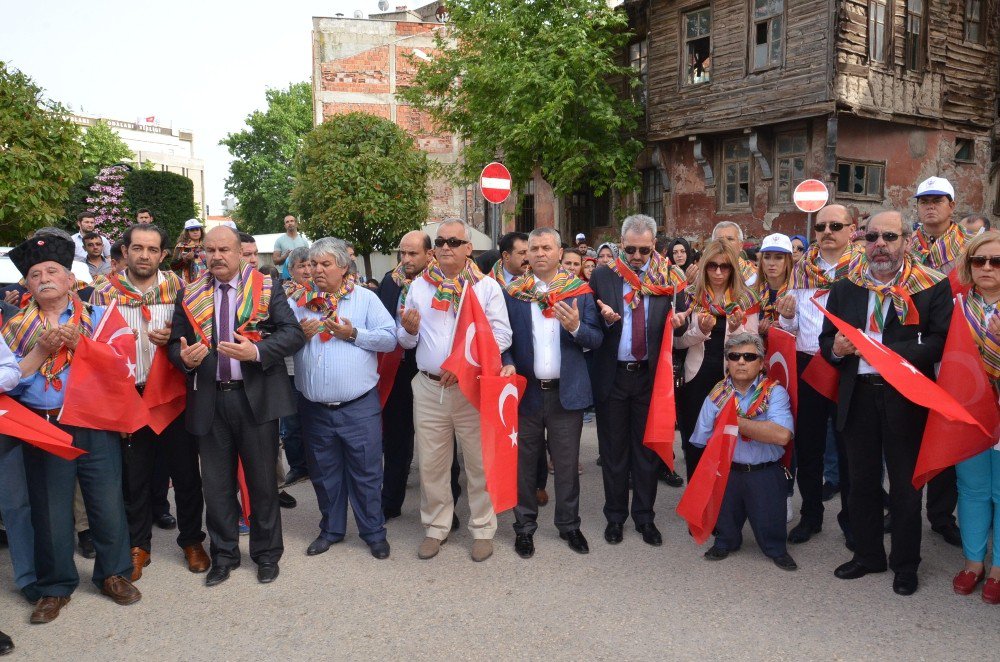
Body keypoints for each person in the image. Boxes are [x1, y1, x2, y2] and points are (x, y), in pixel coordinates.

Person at [3, 234, 140, 623]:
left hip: (93, 420)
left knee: (107, 500)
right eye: (35, 274)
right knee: (49, 509)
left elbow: (120, 365)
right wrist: (41, 350)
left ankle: (114, 574)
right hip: (42, 425)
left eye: (52, 271)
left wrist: (83, 345)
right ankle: (55, 586)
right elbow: (7, 380)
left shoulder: (97, 318)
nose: (44, 278)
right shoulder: (14, 328)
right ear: (27, 285)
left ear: (69, 279)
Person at [819, 209, 951, 596]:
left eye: (890, 237)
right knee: (860, 483)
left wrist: (885, 353)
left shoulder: (930, 286)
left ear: (907, 241)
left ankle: (905, 564)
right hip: (857, 397)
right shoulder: (845, 287)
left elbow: (941, 340)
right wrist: (839, 350)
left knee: (907, 488)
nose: (880, 245)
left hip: (906, 398)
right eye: (873, 237)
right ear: (862, 241)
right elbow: (827, 342)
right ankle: (868, 555)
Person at [167, 226, 305, 587]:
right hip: (209, 401)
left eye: (223, 249)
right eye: (209, 250)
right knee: (217, 487)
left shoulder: (265, 288)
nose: (216, 256)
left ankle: (266, 554)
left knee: (262, 484)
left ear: (241, 252)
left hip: (253, 398)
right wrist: (184, 359)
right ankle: (224, 555)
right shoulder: (191, 293)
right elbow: (174, 346)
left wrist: (257, 351)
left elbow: (293, 334)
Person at [89, 223, 209, 580]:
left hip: (172, 392)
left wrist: (175, 335)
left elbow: (196, 332)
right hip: (127, 394)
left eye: (152, 249)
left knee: (186, 473)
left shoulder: (180, 287)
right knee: (134, 476)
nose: (144, 255)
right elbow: (93, 340)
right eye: (137, 248)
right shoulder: (102, 290)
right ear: (124, 251)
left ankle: (191, 539)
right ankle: (139, 543)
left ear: (162, 254)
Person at [397, 219, 512, 562]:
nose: (445, 246)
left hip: (471, 388)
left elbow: (502, 337)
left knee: (477, 463)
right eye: (441, 241)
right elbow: (405, 341)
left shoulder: (485, 288)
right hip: (429, 388)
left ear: (468, 249)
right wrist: (407, 330)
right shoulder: (418, 286)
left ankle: (482, 529)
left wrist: (463, 365)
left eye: (453, 241)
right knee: (432, 464)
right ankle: (435, 528)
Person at [289, 238, 396, 559]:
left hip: (358, 407)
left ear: (343, 267)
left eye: (325, 264)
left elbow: (390, 339)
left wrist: (353, 334)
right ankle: (332, 530)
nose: (316, 270)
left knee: (366, 473)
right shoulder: (298, 302)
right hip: (314, 408)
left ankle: (373, 532)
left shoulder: (365, 299)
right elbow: (277, 342)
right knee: (323, 474)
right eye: (312, 264)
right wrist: (297, 335)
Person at [501, 228, 602, 558]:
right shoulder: (515, 293)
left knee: (567, 465)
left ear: (561, 253)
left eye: (547, 247)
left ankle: (569, 525)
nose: (540, 253)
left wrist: (574, 326)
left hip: (565, 393)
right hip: (526, 393)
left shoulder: (579, 292)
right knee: (524, 466)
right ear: (527, 254)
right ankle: (525, 527)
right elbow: (504, 340)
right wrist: (508, 363)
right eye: (534, 248)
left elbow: (595, 339)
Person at [590, 214, 687, 547]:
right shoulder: (603, 276)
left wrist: (684, 323)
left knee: (646, 453)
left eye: (643, 250)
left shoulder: (670, 279)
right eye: (630, 248)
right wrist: (603, 320)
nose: (636, 256)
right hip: (613, 377)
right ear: (621, 245)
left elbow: (682, 326)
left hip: (649, 377)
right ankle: (615, 517)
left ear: (654, 246)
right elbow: (590, 326)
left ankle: (645, 518)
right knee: (614, 453)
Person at [779, 205, 857, 547]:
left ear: (851, 229)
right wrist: (786, 317)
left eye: (836, 225)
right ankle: (811, 515)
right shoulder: (800, 270)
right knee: (808, 449)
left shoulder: (863, 269)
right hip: (808, 365)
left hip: (849, 367)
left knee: (850, 450)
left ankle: (853, 521)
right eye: (822, 225)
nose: (827, 231)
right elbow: (792, 327)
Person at [376, 231, 464, 523]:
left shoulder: (448, 282)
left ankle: (447, 509)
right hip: (399, 369)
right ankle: (390, 502)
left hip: (434, 372)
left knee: (441, 445)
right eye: (402, 253)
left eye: (413, 254)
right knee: (396, 439)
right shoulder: (390, 281)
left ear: (430, 255)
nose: (406, 259)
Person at [692, 332, 797, 571]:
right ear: (727, 361)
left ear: (761, 363)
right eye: (734, 356)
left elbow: (782, 435)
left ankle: (776, 549)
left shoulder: (775, 392)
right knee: (725, 523)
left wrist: (732, 421)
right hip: (727, 471)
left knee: (771, 527)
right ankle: (725, 541)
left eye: (749, 356)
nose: (741, 361)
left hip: (764, 473)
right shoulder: (718, 394)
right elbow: (701, 438)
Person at [909, 176, 964, 547]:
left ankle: (941, 514)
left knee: (946, 432)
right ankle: (903, 505)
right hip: (909, 349)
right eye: (923, 200)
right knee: (905, 433)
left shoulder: (970, 248)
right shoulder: (904, 245)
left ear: (951, 205)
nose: (929, 206)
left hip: (953, 351)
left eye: (937, 200)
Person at [676, 240, 759, 482]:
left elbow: (753, 347)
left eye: (725, 266)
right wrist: (700, 330)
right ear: (704, 267)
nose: (719, 272)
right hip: (695, 379)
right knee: (695, 443)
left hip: (733, 381)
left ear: (733, 269)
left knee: (729, 442)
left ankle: (725, 504)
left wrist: (735, 329)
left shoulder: (745, 299)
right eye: (712, 266)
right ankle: (697, 501)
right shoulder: (690, 296)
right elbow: (677, 342)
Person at [949, 231, 1000, 604]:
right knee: (972, 489)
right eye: (979, 261)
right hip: (967, 411)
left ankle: (998, 568)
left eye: (996, 262)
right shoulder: (956, 306)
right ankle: (972, 563)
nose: (986, 268)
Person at [278, 247, 313, 488]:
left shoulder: (325, 296)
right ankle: (298, 467)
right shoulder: (284, 299)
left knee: (314, 421)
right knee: (291, 425)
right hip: (290, 370)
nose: (308, 270)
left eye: (310, 265)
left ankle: (316, 464)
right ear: (291, 271)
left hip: (314, 369)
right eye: (302, 266)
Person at [754, 233, 794, 337]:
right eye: (767, 257)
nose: (771, 263)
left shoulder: (795, 293)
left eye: (778, 257)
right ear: (762, 261)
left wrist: (787, 326)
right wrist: (756, 329)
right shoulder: (752, 293)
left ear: (788, 260)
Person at [711, 221, 757, 286]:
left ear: (740, 245)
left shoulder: (754, 277)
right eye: (720, 240)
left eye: (730, 239)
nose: (725, 243)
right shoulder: (702, 274)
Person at [272, 215, 310, 280]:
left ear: (296, 224)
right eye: (287, 222)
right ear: (285, 226)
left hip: (301, 274)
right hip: (284, 276)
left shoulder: (304, 240)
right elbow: (275, 261)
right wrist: (285, 256)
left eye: (292, 221)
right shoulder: (279, 240)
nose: (290, 223)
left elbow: (309, 259)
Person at [171, 219, 207, 283]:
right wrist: (184, 260)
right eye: (192, 230)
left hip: (207, 281)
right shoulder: (181, 246)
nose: (195, 232)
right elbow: (173, 267)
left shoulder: (207, 245)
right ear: (187, 232)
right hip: (188, 283)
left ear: (201, 231)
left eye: (197, 229)